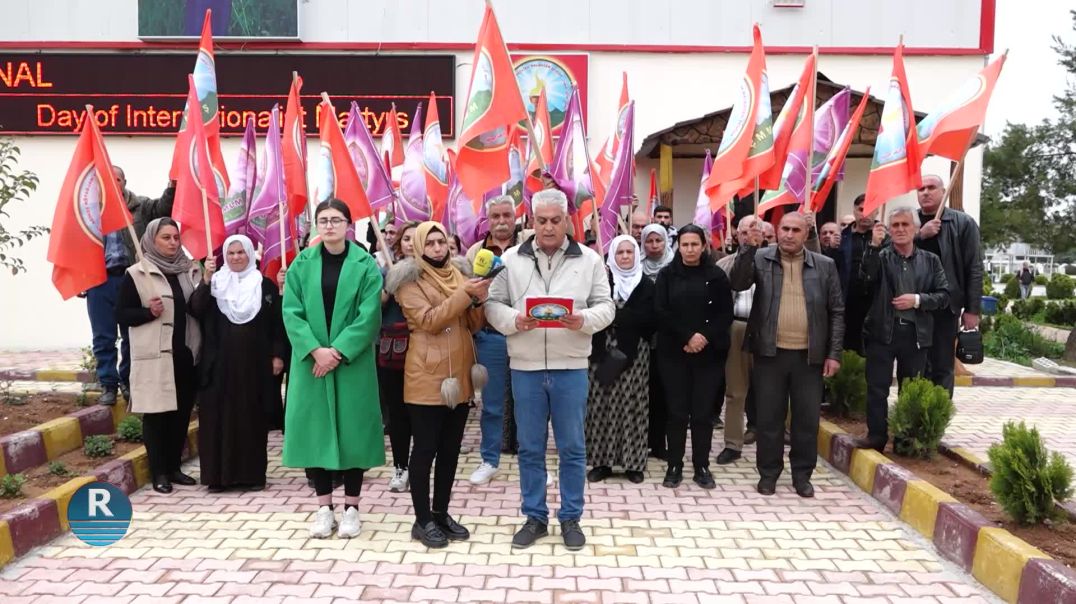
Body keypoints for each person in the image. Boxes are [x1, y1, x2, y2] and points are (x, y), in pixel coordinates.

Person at [485, 189, 614, 551]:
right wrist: (514, 320)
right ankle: (535, 516)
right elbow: (492, 303)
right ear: (531, 221)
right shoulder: (510, 259)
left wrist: (583, 320)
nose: (548, 227)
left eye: (555, 220)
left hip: (570, 366)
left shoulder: (589, 260)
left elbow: (607, 306)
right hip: (524, 367)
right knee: (530, 447)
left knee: (572, 447)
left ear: (567, 221)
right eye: (541, 220)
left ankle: (571, 516)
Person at [281, 199, 385, 540]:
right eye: (323, 220)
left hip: (350, 364)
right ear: (316, 225)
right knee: (314, 432)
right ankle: (324, 508)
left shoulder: (364, 264)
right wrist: (315, 350)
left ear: (348, 224)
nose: (329, 226)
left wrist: (337, 351)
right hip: (311, 362)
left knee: (353, 432)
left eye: (336, 220)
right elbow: (291, 311)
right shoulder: (302, 264)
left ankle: (352, 507)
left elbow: (369, 314)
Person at [386, 221, 489, 548]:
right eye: (429, 243)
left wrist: (478, 302)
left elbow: (473, 325)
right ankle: (422, 520)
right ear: (418, 246)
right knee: (426, 448)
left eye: (441, 242)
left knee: (450, 450)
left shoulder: (458, 273)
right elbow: (429, 321)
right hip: (428, 374)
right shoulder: (408, 280)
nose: (437, 248)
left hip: (459, 372)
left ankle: (441, 512)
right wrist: (465, 294)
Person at [730, 212, 843, 498]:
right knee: (769, 419)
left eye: (796, 230)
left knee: (806, 421)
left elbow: (837, 312)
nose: (789, 235)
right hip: (770, 353)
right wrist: (748, 248)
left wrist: (834, 354)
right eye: (785, 229)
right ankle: (768, 474)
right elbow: (738, 283)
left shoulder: (825, 265)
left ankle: (802, 476)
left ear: (806, 235)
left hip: (810, 357)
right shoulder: (762, 258)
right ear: (777, 231)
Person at [189, 235, 287, 492]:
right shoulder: (216, 283)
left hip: (253, 367)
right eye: (230, 253)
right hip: (218, 365)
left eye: (240, 252)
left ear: (249, 254)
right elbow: (196, 309)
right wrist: (206, 279)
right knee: (217, 420)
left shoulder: (263, 284)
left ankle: (252, 476)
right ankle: (218, 478)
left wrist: (278, 355)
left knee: (251, 418)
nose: (235, 257)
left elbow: (277, 322)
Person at [115, 218, 202, 495]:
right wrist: (146, 312)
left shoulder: (189, 270)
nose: (173, 242)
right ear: (152, 240)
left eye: (176, 237)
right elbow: (120, 315)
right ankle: (159, 472)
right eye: (166, 238)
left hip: (186, 354)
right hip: (155, 355)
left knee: (180, 415)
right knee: (156, 416)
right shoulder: (137, 273)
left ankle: (175, 467)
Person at [853, 208, 949, 452]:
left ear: (915, 229)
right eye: (894, 225)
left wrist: (916, 300)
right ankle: (876, 436)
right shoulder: (881, 256)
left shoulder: (930, 260)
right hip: (882, 332)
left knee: (910, 389)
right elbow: (865, 282)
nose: (900, 229)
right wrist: (873, 248)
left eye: (905, 224)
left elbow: (944, 295)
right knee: (877, 388)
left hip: (916, 334)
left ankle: (905, 439)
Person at [86, 167, 176, 406]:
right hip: (99, 280)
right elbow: (77, 241)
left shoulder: (141, 206)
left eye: (117, 179)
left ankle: (127, 381)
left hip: (131, 278)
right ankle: (108, 384)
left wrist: (172, 187)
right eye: (108, 179)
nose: (113, 183)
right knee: (103, 336)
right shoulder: (90, 210)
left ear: (125, 181)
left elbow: (163, 209)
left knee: (131, 334)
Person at [654, 224, 733, 489]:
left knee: (702, 413)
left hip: (708, 355)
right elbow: (661, 311)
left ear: (703, 245)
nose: (689, 249)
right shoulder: (667, 275)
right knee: (676, 412)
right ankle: (674, 465)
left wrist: (703, 337)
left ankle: (701, 465)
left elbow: (725, 314)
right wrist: (687, 337)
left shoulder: (717, 275)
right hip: (673, 353)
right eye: (685, 245)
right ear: (678, 246)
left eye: (694, 244)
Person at [585, 236, 656, 484]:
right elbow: (593, 312)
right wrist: (620, 316)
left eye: (629, 252)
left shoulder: (646, 285)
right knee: (600, 406)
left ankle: (633, 463)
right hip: (600, 352)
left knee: (633, 406)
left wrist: (616, 315)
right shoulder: (602, 282)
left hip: (635, 354)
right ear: (612, 256)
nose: (625, 256)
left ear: (637, 255)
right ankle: (601, 462)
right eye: (620, 253)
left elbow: (649, 319)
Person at [466, 196, 524, 485]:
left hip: (527, 333)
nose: (501, 221)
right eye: (495, 216)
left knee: (530, 402)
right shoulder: (476, 252)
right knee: (491, 404)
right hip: (490, 337)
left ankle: (534, 461)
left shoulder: (530, 245)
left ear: (515, 217)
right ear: (487, 220)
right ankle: (489, 460)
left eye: (506, 215)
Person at [916, 175, 983, 396]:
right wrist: (919, 235)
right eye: (921, 188)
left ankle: (937, 415)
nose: (925, 192)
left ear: (943, 192)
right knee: (915, 365)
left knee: (942, 365)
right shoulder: (910, 221)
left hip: (946, 307)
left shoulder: (963, 223)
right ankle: (913, 416)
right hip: (912, 306)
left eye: (931, 188)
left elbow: (973, 267)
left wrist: (972, 309)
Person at [714, 216, 762, 465]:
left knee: (770, 389)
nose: (749, 235)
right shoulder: (724, 264)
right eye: (744, 231)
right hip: (736, 327)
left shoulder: (774, 262)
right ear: (736, 234)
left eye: (755, 230)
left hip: (765, 329)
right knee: (735, 390)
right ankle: (733, 443)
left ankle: (769, 438)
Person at [379, 221, 419, 494]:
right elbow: (376, 304)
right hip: (392, 352)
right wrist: (391, 286)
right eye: (406, 238)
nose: (410, 243)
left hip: (426, 352)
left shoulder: (436, 271)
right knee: (397, 414)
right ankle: (400, 467)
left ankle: (421, 465)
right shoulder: (387, 271)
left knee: (424, 413)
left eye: (417, 238)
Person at [640, 224, 674, 460]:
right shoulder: (635, 268)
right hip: (642, 344)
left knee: (664, 395)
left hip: (667, 342)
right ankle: (642, 442)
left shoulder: (674, 268)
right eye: (649, 241)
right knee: (643, 395)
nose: (654, 245)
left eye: (658, 241)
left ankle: (660, 443)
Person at [838, 194, 882, 354]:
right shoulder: (842, 237)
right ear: (854, 210)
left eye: (870, 209)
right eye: (861, 209)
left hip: (876, 304)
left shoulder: (887, 237)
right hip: (847, 303)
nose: (865, 214)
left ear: (877, 211)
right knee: (847, 350)